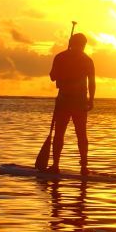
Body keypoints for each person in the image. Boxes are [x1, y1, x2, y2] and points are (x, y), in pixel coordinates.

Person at [48, 32, 95, 175]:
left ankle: (58, 165)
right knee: (76, 134)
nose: (82, 47)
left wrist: (91, 100)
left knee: (66, 134)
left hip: (70, 101)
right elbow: (92, 83)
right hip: (73, 101)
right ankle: (81, 167)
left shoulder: (61, 57)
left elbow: (52, 76)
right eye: (82, 45)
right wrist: (91, 100)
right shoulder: (85, 60)